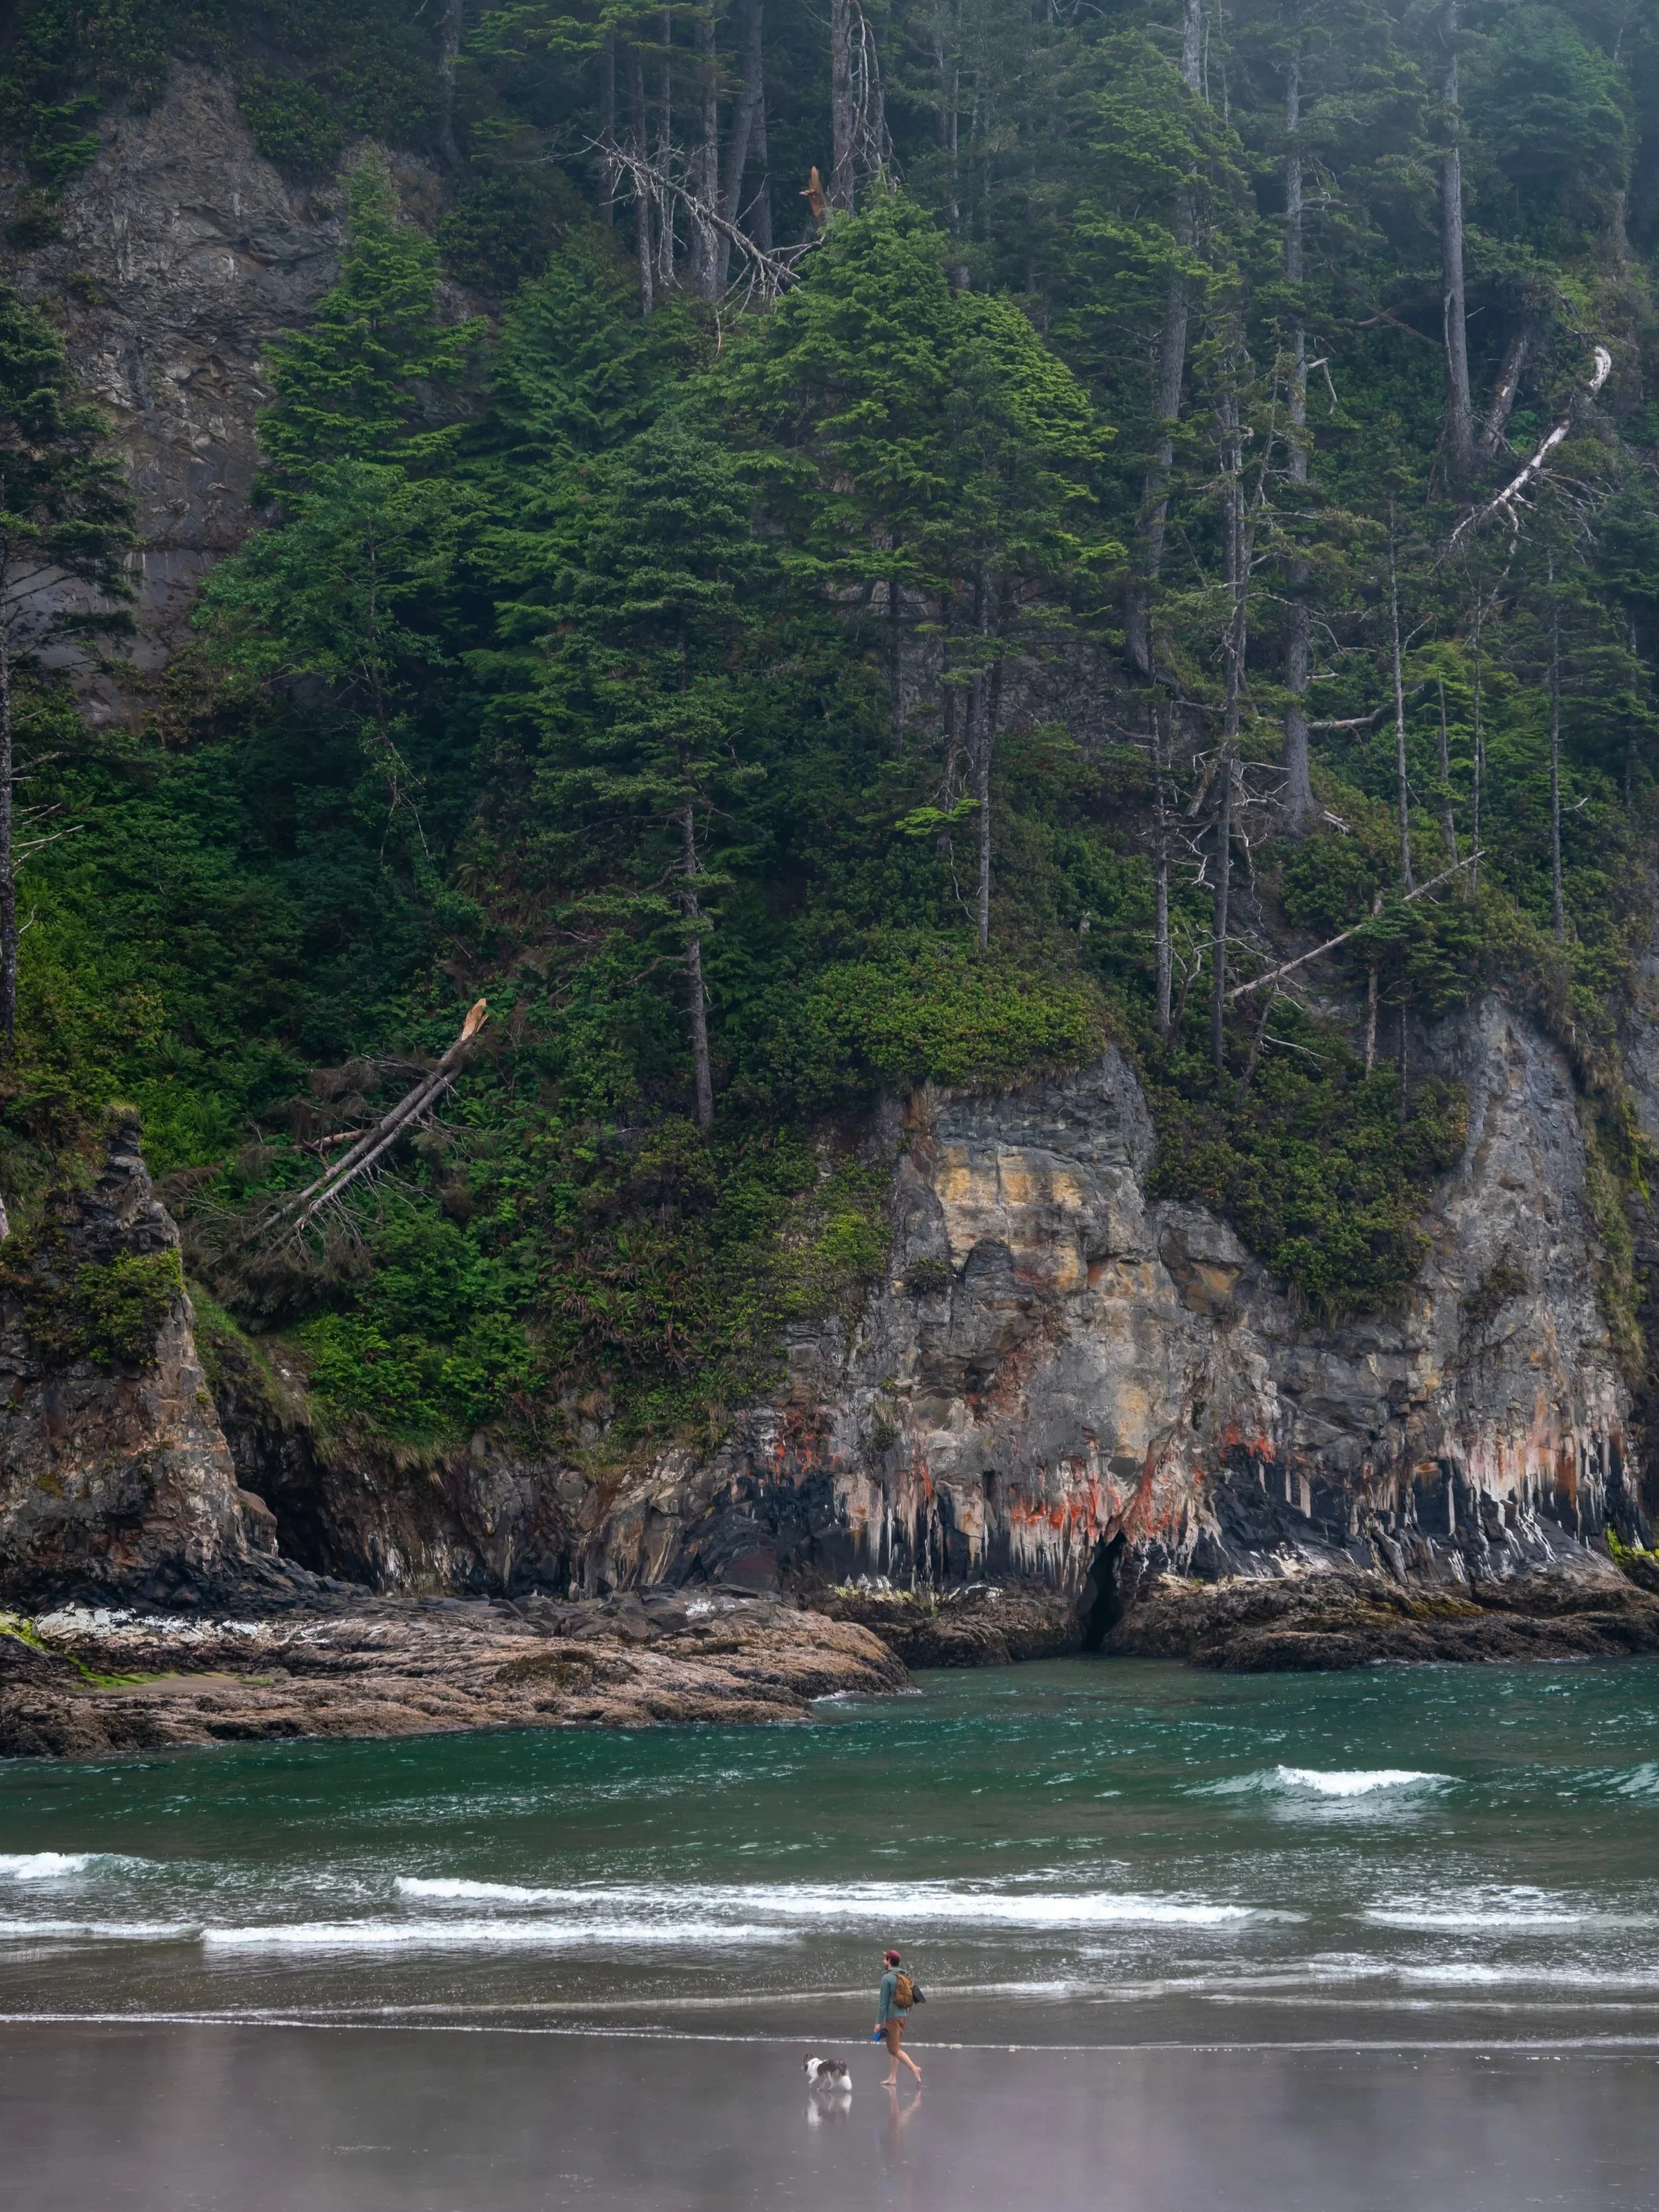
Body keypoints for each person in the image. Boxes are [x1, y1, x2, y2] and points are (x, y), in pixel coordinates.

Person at [874, 1947, 921, 2088]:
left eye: (885, 1959)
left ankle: (914, 2068)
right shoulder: (904, 1975)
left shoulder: (887, 1978)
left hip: (892, 2018)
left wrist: (878, 2023)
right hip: (903, 2016)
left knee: (894, 2049)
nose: (884, 1961)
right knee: (895, 2047)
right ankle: (892, 2078)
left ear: (889, 1961)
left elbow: (883, 2004)